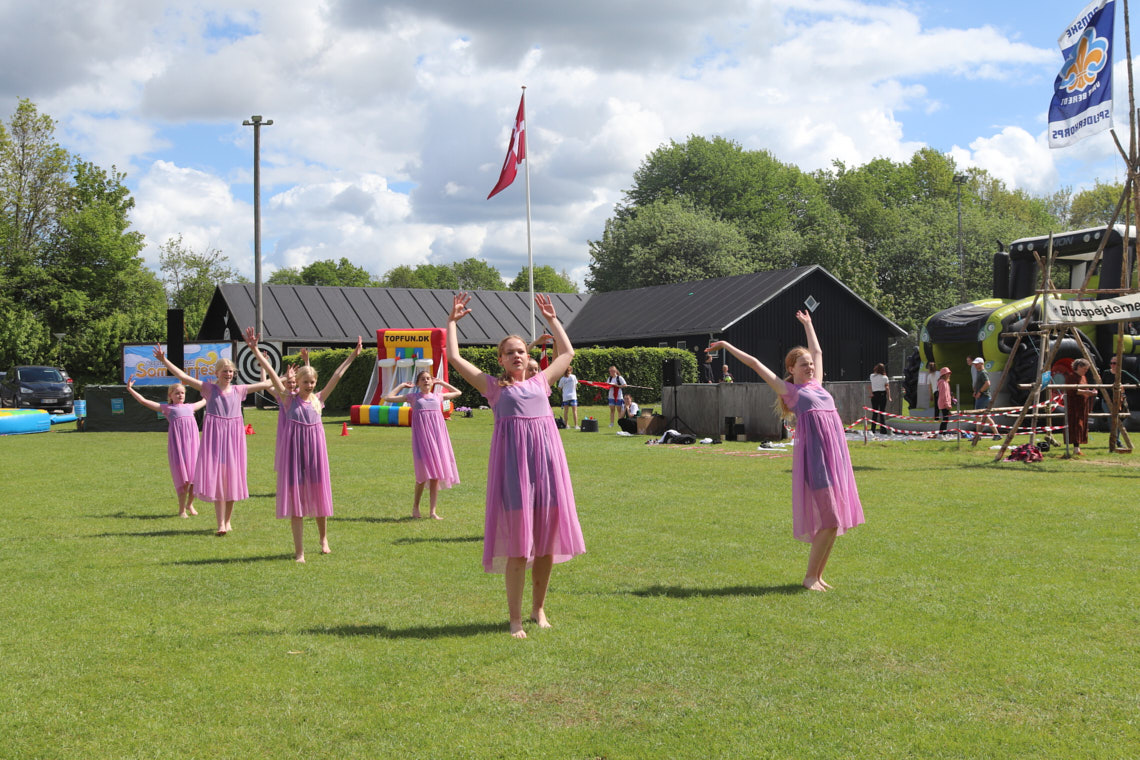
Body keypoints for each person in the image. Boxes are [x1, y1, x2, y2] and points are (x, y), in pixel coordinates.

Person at [446, 292, 586, 638]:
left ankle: (538, 609)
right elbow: (454, 358)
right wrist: (451, 324)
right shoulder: (493, 387)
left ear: (528, 355)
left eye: (521, 351)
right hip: (514, 473)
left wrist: (552, 320)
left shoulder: (541, 382)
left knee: (546, 545)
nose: (517, 356)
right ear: (501, 359)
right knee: (519, 549)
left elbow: (567, 353)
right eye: (510, 352)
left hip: (547, 468)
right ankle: (515, 619)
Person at [708, 310, 864, 592]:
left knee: (834, 521)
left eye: (811, 364)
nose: (810, 367)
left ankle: (817, 576)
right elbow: (755, 364)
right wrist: (727, 346)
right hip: (817, 463)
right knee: (830, 519)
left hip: (835, 461)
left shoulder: (818, 386)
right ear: (791, 369)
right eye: (804, 364)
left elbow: (817, 351)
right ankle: (809, 577)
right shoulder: (791, 393)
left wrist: (808, 324)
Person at [245, 328, 362, 561]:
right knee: (296, 502)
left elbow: (337, 376)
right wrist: (255, 350)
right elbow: (271, 373)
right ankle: (299, 552)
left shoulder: (319, 400)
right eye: (305, 382)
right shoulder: (288, 400)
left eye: (312, 382)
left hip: (316, 453)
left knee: (319, 495)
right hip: (294, 455)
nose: (309, 385)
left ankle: (323, 538)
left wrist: (353, 356)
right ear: (297, 382)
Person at [154, 345, 274, 536]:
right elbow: (183, 377)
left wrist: (275, 371)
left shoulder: (239, 390)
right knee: (219, 482)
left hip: (234, 441)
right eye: (224, 371)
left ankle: (228, 521)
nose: (228, 374)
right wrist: (164, 361)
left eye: (231, 371)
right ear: (216, 373)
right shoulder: (209, 389)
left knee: (232, 481)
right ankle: (220, 524)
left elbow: (267, 384)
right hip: (216, 440)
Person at [381, 371, 462, 519]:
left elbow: (458, 392)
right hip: (422, 440)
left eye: (428, 379)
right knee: (422, 476)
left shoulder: (438, 396)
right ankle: (416, 507)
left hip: (438, 439)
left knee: (435, 476)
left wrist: (441, 383)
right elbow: (387, 397)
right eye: (423, 379)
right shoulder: (413, 397)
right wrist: (401, 385)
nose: (426, 381)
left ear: (432, 381)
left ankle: (433, 512)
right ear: (418, 383)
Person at [125, 379, 207, 518]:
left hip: (193, 448)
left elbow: (205, 399)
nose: (180, 395)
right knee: (184, 481)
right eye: (177, 393)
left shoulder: (191, 407)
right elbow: (144, 401)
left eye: (182, 393)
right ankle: (181, 510)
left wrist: (210, 388)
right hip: (179, 449)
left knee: (195, 480)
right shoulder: (168, 409)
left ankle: (190, 504)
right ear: (170, 395)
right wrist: (130, 389)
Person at [1064, 358, 1096, 456]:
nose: (1086, 371)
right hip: (1074, 406)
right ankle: (1076, 449)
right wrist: (1086, 392)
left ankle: (1077, 448)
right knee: (1076, 425)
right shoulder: (1071, 377)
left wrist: (1091, 392)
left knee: (1081, 426)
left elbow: (1084, 388)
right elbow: (1072, 390)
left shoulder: (1083, 377)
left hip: (1082, 405)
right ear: (1079, 367)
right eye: (1084, 369)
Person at [868, 363, 891, 434]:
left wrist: (871, 393)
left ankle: (873, 429)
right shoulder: (885, 377)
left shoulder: (872, 376)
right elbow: (887, 388)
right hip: (882, 395)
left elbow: (870, 386)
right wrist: (889, 396)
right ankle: (883, 430)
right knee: (882, 412)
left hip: (875, 395)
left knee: (874, 413)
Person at [935, 367, 953, 433]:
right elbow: (943, 394)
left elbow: (947, 393)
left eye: (949, 373)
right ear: (944, 374)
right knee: (945, 419)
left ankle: (943, 433)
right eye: (947, 373)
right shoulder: (942, 382)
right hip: (944, 403)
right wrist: (947, 404)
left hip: (945, 403)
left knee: (946, 419)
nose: (949, 375)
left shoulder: (945, 382)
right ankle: (942, 434)